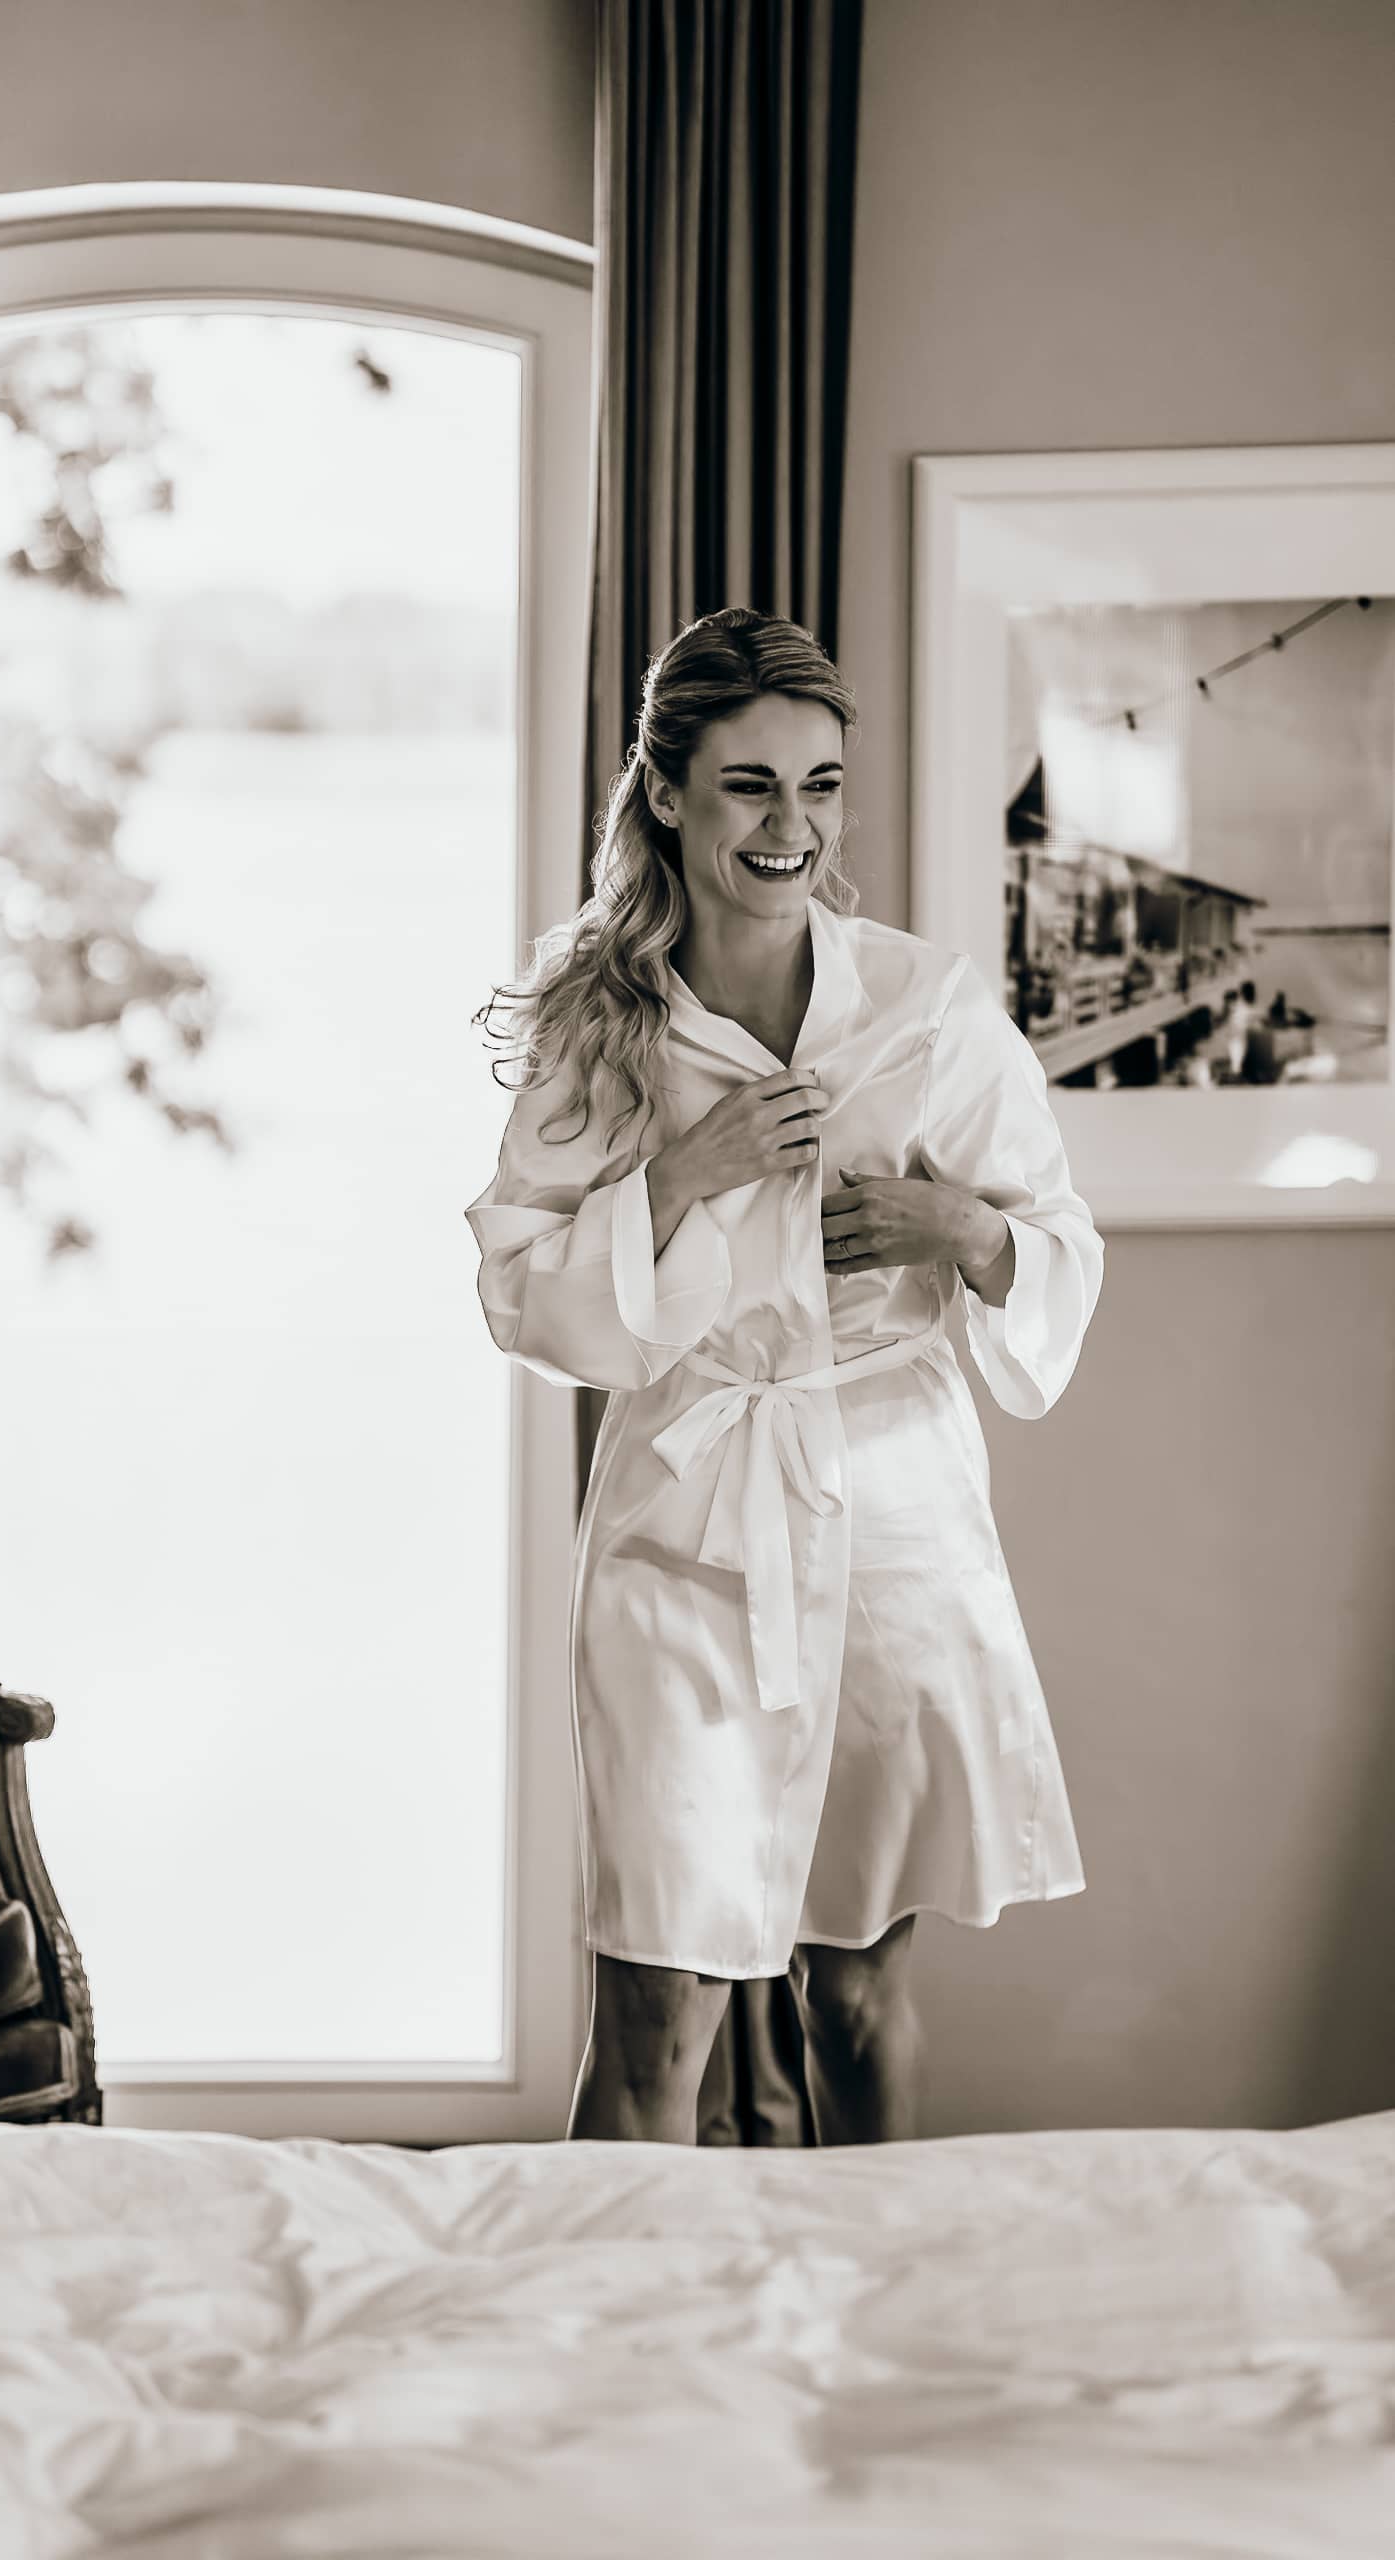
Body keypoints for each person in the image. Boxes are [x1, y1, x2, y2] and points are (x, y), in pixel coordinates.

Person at [464, 608, 1104, 2149]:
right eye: (750, 784)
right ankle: (617, 2295)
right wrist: (683, 1175)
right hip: (685, 1526)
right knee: (652, 2003)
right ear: (665, 791)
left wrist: (960, 1229)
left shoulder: (928, 1007)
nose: (790, 826)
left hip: (896, 1518)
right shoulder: (595, 1019)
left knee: (859, 1993)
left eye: (820, 786)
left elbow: (1056, 1240)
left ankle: (860, 2289)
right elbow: (520, 1293)